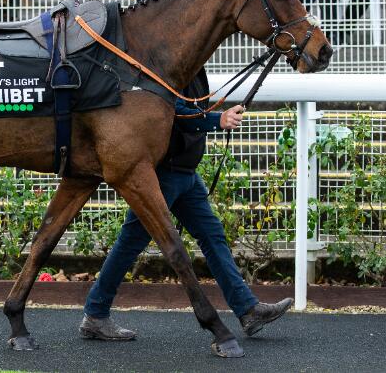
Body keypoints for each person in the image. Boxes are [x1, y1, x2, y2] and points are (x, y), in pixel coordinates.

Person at [80, 68, 293, 341]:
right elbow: (172, 108)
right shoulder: (169, 62)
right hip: (164, 176)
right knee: (131, 241)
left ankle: (247, 309)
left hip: (186, 175)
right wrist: (218, 119)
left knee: (212, 235)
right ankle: (95, 315)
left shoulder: (194, 67)